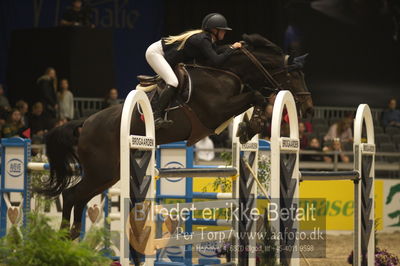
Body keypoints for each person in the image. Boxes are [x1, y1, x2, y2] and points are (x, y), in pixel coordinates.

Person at [145, 13, 242, 129]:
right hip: (155, 53)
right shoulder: (203, 40)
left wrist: (234, 48)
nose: (225, 33)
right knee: (173, 82)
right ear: (214, 30)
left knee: (174, 81)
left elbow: (217, 52)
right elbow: (216, 60)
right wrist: (232, 48)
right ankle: (156, 116)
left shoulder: (207, 39)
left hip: (162, 53)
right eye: (223, 30)